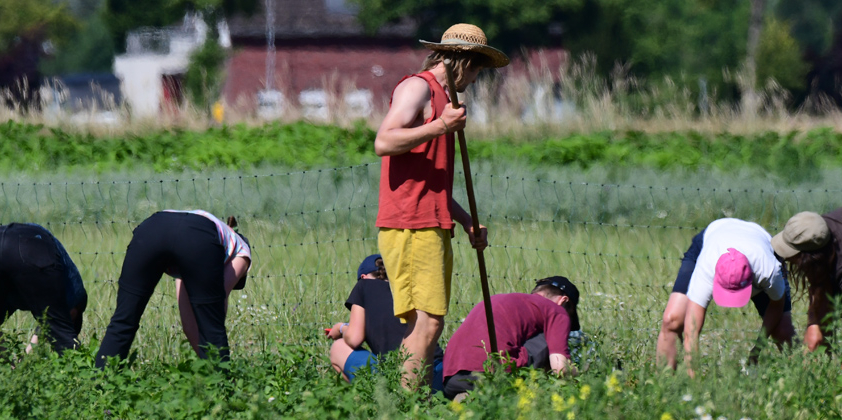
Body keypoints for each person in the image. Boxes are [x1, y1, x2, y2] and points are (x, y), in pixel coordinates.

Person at [373, 23, 508, 389]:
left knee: (424, 323)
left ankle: (403, 399)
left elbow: (430, 182)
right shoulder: (417, 88)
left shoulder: (446, 101)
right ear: (463, 60)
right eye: (479, 68)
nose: (479, 77)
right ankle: (406, 403)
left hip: (431, 223)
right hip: (409, 224)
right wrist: (439, 127)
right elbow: (384, 141)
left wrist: (465, 221)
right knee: (428, 322)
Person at [95, 210, 251, 368]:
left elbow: (189, 326)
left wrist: (206, 364)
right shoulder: (242, 250)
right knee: (212, 327)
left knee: (123, 320)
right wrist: (213, 365)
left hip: (152, 227)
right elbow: (212, 314)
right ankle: (222, 388)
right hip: (196, 238)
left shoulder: (212, 230)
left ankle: (100, 383)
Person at [656, 218, 795, 376]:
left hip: (759, 241)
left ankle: (802, 383)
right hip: (712, 237)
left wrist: (757, 350)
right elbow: (691, 333)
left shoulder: (768, 269)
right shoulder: (706, 268)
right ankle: (663, 384)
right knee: (672, 320)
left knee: (783, 331)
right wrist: (695, 386)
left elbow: (776, 306)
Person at [442, 276, 581, 400]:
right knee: (549, 341)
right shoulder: (557, 311)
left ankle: (470, 397)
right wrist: (582, 377)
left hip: (450, 378)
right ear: (563, 301)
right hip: (491, 374)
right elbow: (560, 368)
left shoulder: (504, 299)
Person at [328, 254, 444, 390]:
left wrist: (341, 328)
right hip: (437, 369)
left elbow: (354, 338)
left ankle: (370, 400)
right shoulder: (407, 289)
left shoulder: (363, 286)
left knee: (338, 347)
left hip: (398, 376)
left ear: (363, 277)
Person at [0, 223, 87, 355]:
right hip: (32, 248)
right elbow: (58, 318)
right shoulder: (76, 294)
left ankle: (10, 369)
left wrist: (17, 363)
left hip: (7, 237)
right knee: (66, 344)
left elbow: (47, 320)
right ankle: (81, 374)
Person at [771, 208, 842, 352]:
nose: (786, 258)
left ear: (808, 258)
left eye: (791, 254)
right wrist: (814, 325)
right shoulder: (816, 230)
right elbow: (821, 288)